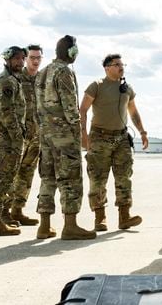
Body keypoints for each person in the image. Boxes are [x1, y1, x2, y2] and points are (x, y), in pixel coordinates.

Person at [35, 35, 95, 240]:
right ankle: (70, 225)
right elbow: (71, 109)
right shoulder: (64, 72)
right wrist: (80, 133)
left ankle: (44, 226)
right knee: (70, 178)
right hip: (64, 136)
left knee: (48, 177)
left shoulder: (42, 72)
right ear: (72, 52)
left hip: (46, 133)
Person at [81, 53, 148, 231]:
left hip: (121, 138)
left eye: (122, 64)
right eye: (116, 64)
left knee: (124, 177)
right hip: (99, 137)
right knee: (98, 179)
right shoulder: (97, 86)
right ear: (107, 68)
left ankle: (124, 216)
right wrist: (83, 135)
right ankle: (100, 218)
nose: (121, 67)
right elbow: (83, 110)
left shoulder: (126, 88)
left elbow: (133, 112)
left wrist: (142, 131)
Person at [0, 46, 27, 236]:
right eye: (17, 59)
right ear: (8, 60)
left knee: (5, 177)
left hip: (7, 136)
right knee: (1, 176)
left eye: (22, 59)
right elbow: (6, 112)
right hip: (6, 137)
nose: (21, 62)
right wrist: (17, 138)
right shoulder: (7, 81)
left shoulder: (12, 80)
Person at [9, 44, 44, 226]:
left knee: (26, 175)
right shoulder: (15, 77)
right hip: (18, 135)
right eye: (32, 57)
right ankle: (3, 213)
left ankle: (17, 211)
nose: (35, 61)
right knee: (10, 173)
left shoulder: (42, 80)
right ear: (26, 59)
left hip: (36, 135)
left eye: (38, 58)